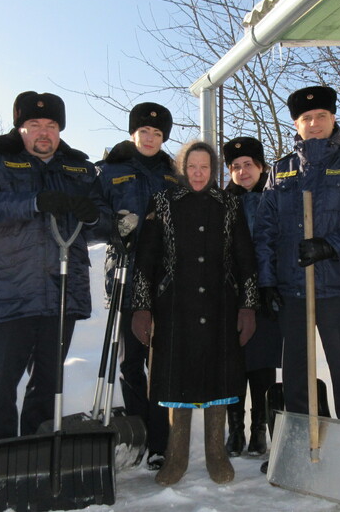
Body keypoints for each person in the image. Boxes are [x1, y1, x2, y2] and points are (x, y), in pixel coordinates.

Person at [0, 91, 100, 504]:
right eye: (34, 126)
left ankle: (35, 473)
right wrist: (35, 201)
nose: (43, 133)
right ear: (20, 128)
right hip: (10, 292)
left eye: (51, 126)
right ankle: (1, 478)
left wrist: (96, 217)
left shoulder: (79, 168)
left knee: (47, 385)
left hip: (61, 292)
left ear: (60, 130)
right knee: (1, 387)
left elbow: (102, 218)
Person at [254, 86, 340, 492]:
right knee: (295, 376)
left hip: (339, 288)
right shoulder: (282, 169)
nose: (314, 124)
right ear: (297, 124)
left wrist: (330, 245)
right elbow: (267, 230)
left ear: (332, 120)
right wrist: (268, 280)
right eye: (306, 119)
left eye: (321, 117)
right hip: (294, 290)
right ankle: (300, 449)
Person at [130, 140, 258, 487]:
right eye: (192, 167)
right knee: (177, 377)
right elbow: (145, 261)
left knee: (218, 376)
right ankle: (177, 455)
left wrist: (247, 305)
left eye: (204, 167)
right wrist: (141, 307)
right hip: (174, 308)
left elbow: (246, 258)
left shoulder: (230, 204)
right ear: (182, 169)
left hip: (221, 306)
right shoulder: (162, 203)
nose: (198, 174)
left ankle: (217, 452)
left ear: (213, 169)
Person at [94, 102, 176, 470]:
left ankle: (161, 440)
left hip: (164, 279)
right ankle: (138, 429)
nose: (150, 138)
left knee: (161, 361)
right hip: (126, 275)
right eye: (144, 131)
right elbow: (90, 217)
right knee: (131, 361)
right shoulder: (110, 170)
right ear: (133, 133)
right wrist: (114, 226)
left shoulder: (173, 176)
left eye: (157, 134)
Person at [222, 136, 282, 458]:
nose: (242, 172)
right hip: (230, 296)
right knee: (234, 364)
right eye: (235, 167)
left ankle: (259, 428)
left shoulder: (274, 198)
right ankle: (235, 429)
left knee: (261, 364)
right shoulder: (221, 202)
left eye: (248, 165)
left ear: (261, 167)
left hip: (266, 292)